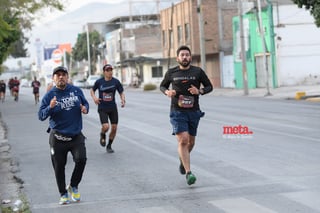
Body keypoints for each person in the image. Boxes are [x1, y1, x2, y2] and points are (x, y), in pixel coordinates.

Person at [159, 45, 213, 185]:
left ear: (190, 57)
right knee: (183, 139)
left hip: (194, 111)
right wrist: (167, 92)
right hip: (177, 111)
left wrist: (199, 91)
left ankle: (183, 160)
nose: (185, 57)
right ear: (177, 58)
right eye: (182, 55)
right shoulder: (171, 72)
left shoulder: (198, 71)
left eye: (187, 55)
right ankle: (189, 173)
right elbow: (162, 86)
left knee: (191, 142)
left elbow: (209, 87)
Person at [38, 66, 89, 205]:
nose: (61, 77)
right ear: (53, 78)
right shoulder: (49, 95)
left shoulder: (76, 91)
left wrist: (85, 108)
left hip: (76, 136)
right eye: (58, 75)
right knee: (59, 167)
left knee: (81, 159)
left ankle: (73, 185)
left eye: (63, 74)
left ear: (67, 77)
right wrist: (50, 107)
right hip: (58, 139)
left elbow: (85, 103)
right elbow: (41, 116)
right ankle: (63, 193)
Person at [90, 64, 125, 153]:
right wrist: (95, 98)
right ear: (104, 72)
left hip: (112, 108)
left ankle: (109, 145)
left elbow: (121, 92)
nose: (110, 72)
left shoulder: (116, 82)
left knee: (114, 128)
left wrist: (123, 99)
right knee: (106, 127)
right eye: (108, 70)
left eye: (111, 70)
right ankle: (102, 134)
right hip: (102, 107)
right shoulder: (99, 82)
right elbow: (92, 90)